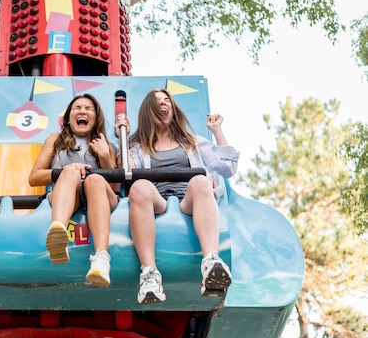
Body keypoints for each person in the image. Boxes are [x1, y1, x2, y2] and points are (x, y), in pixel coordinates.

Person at [115, 89, 240, 304]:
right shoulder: (137, 147)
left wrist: (217, 130)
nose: (164, 104)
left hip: (188, 200)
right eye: (157, 102)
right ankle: (149, 273)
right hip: (158, 200)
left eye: (167, 101)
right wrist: (123, 139)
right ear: (149, 111)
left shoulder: (192, 142)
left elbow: (227, 168)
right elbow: (127, 172)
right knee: (139, 186)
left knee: (201, 180)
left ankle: (211, 261)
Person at [29, 94, 120, 286]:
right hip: (68, 193)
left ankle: (102, 258)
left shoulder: (106, 144)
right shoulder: (55, 140)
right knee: (70, 173)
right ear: (69, 119)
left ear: (96, 118)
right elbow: (34, 177)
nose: (82, 111)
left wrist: (104, 155)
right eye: (77, 108)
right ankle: (58, 234)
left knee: (94, 180)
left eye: (88, 108)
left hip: (99, 194)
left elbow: (115, 187)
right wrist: (64, 170)